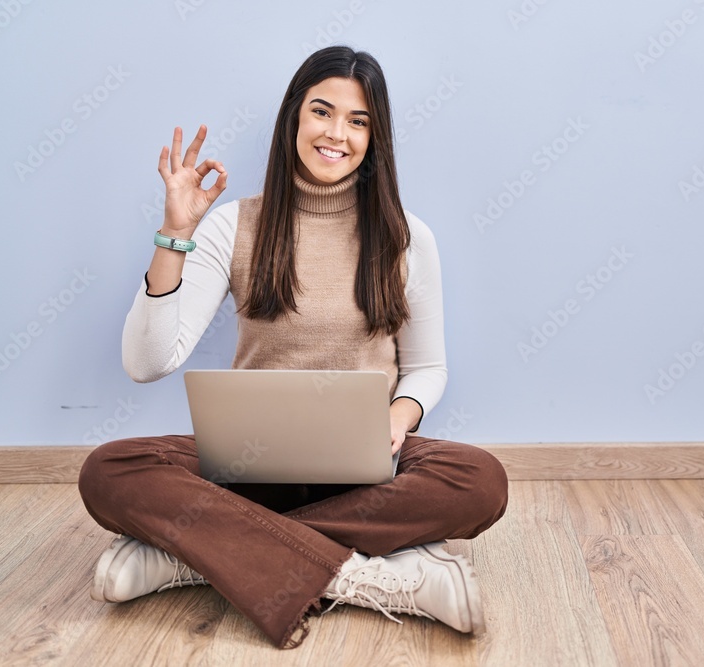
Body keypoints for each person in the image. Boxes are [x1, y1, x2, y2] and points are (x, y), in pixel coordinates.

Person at [77, 45, 509, 650]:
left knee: (479, 480)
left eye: (358, 122)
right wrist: (176, 234)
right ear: (293, 120)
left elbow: (428, 369)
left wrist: (398, 417)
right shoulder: (234, 225)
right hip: (249, 471)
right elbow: (146, 363)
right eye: (322, 112)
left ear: (375, 137)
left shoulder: (407, 236)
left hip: (368, 474)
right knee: (110, 471)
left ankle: (191, 560)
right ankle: (372, 579)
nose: (337, 134)